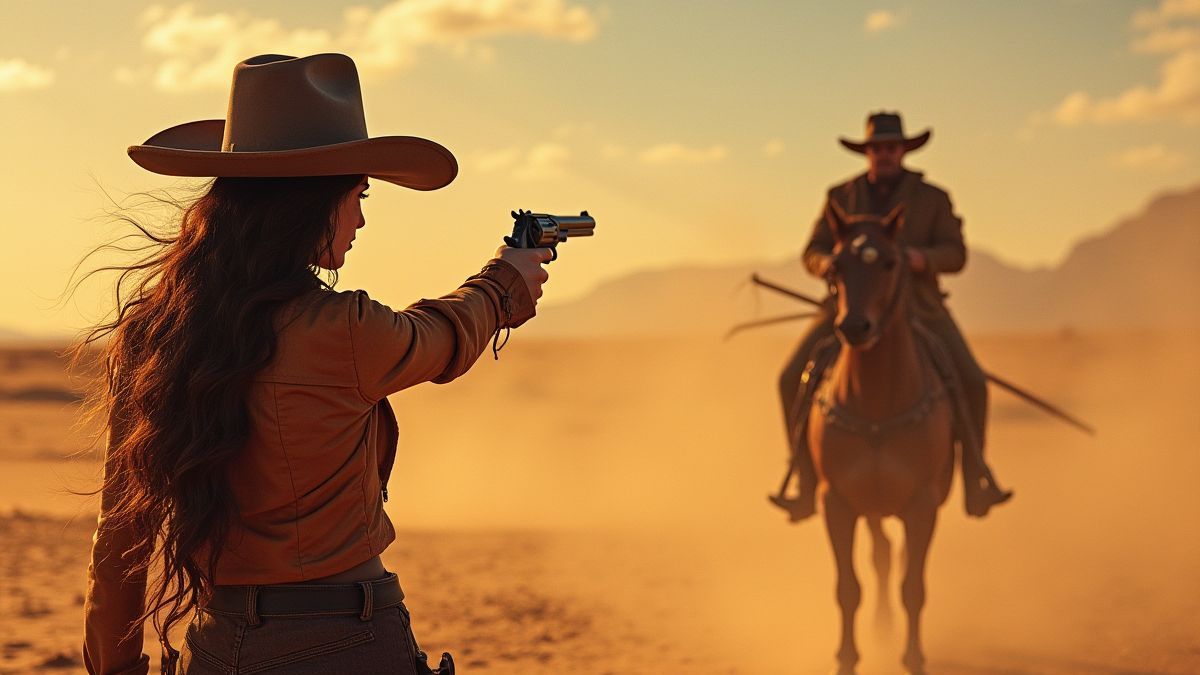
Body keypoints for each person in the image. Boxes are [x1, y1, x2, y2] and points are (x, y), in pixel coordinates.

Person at [76, 53, 551, 674]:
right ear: (312, 202)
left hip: (218, 647)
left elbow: (121, 534)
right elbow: (441, 338)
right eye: (358, 194)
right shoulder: (342, 328)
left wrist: (115, 670)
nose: (359, 217)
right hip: (348, 640)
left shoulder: (154, 335)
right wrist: (502, 283)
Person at [775, 111, 1011, 521]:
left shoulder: (933, 199)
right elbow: (812, 250)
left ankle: (977, 480)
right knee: (790, 376)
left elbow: (956, 253)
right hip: (849, 307)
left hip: (919, 308)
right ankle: (805, 480)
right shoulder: (840, 196)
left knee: (972, 380)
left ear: (903, 150)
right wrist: (827, 263)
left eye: (891, 147)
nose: (884, 154)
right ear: (866, 153)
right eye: (876, 148)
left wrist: (921, 259)